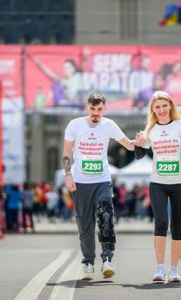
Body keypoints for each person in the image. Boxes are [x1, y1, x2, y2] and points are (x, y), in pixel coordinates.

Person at [63, 92, 136, 280]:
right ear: (87, 107)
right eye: (92, 109)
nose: (96, 113)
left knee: (106, 217)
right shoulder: (74, 125)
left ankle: (107, 260)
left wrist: (143, 141)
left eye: (99, 109)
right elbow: (66, 153)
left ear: (104, 109)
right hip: (80, 181)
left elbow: (128, 145)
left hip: (102, 180)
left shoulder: (109, 125)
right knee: (85, 224)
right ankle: (88, 263)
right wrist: (68, 175)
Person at [134, 90, 181, 283]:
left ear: (170, 106)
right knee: (160, 222)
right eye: (157, 107)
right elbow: (138, 155)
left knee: (177, 227)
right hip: (158, 183)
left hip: (180, 183)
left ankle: (174, 269)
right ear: (153, 109)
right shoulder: (150, 129)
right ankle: (160, 267)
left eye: (164, 106)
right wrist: (138, 143)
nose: (161, 110)